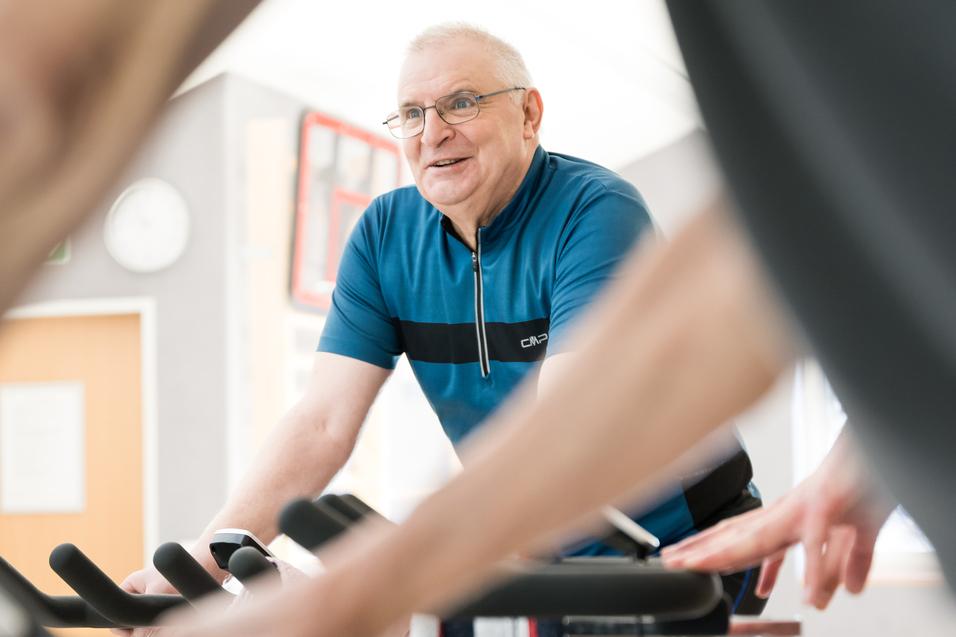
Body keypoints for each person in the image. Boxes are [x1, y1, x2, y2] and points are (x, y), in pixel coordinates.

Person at [119, 22, 767, 634]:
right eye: (411, 113)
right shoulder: (383, 236)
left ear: (529, 115)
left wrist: (369, 581)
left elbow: (569, 419)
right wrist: (205, 557)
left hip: (679, 539)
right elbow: (321, 421)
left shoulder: (595, 212)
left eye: (461, 102)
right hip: (528, 539)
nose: (433, 132)